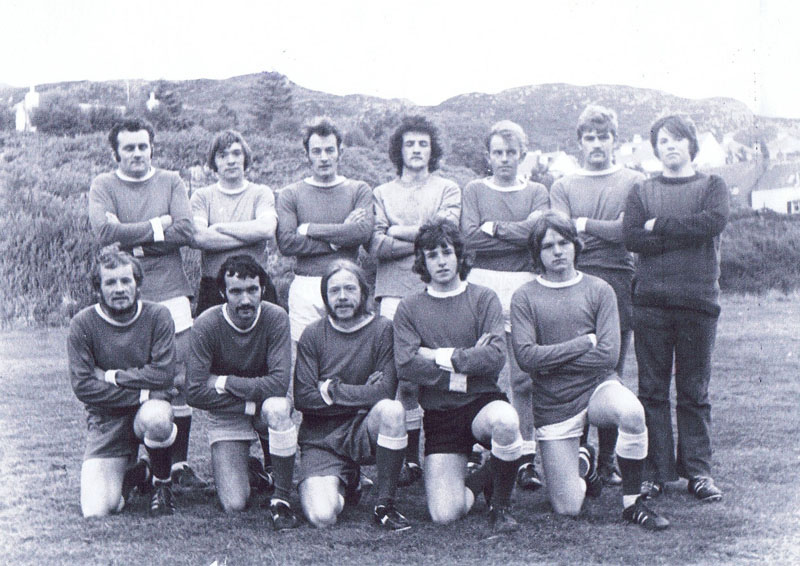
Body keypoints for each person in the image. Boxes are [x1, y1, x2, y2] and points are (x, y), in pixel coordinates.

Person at [510, 212, 669, 530]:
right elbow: (527, 358)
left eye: (563, 242)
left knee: (632, 412)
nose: (557, 251)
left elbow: (607, 357)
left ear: (575, 245)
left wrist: (553, 361)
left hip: (598, 387)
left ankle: (632, 504)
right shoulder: (524, 296)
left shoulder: (600, 289)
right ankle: (587, 468)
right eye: (548, 245)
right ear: (537, 253)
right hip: (553, 403)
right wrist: (583, 343)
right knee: (568, 509)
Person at [88, 118, 208, 491]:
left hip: (171, 291)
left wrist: (132, 238)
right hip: (126, 297)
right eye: (129, 147)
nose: (137, 153)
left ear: (151, 148)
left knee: (179, 380)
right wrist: (159, 225)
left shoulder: (171, 180)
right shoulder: (103, 185)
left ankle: (178, 465)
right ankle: (132, 462)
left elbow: (186, 232)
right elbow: (105, 234)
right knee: (128, 374)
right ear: (116, 153)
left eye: (143, 146)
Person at [393, 218, 523, 534]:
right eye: (432, 254)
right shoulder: (409, 307)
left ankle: (501, 508)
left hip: (481, 403)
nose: (441, 261)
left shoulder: (484, 297)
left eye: (446, 252)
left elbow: (494, 357)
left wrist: (438, 355)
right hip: (440, 415)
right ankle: (486, 473)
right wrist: (466, 359)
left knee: (506, 422)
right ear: (422, 261)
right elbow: (406, 365)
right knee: (445, 515)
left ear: (459, 255)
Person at [623, 114, 729, 503]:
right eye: (662, 141)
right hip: (650, 303)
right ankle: (654, 473)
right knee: (652, 391)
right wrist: (674, 232)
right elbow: (632, 237)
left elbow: (712, 223)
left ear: (691, 144)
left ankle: (698, 473)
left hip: (698, 303)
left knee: (694, 390)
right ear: (655, 149)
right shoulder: (642, 190)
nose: (669, 146)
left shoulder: (712, 185)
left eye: (677, 139)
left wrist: (659, 226)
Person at [550, 105, 646, 486]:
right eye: (588, 137)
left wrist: (585, 224)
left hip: (619, 282)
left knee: (611, 372)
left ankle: (607, 460)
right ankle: (578, 454)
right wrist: (586, 231)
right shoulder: (563, 185)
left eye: (602, 136)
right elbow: (560, 234)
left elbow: (627, 233)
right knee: (572, 369)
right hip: (572, 284)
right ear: (579, 143)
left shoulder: (634, 181)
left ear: (614, 141)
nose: (595, 144)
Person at [371, 115, 461, 487]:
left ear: (432, 149)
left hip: (438, 293)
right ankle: (405, 458)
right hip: (393, 290)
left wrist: (397, 232)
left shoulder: (449, 188)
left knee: (442, 372)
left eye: (423, 144)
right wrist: (425, 237)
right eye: (410, 144)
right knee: (403, 378)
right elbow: (376, 245)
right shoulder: (381, 192)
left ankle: (449, 450)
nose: (417, 150)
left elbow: (448, 234)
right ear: (399, 150)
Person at [460, 120, 549, 491]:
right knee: (479, 370)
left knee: (524, 376)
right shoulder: (475, 190)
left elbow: (536, 237)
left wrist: (492, 228)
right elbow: (467, 239)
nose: (504, 159)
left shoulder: (538, 191)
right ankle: (478, 451)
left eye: (511, 153)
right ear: (488, 155)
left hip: (524, 286)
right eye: (497, 152)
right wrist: (515, 232)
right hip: (482, 286)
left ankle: (527, 458)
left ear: (522, 155)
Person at [294, 260, 410, 531]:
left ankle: (385, 505)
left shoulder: (383, 330)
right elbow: (303, 398)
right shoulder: (312, 334)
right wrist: (363, 393)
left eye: (349, 289)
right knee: (322, 516)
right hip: (321, 439)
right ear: (325, 296)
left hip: (363, 428)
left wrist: (331, 388)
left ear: (363, 292)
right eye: (334, 291)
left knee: (391, 411)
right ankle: (349, 481)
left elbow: (384, 392)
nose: (342, 297)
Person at [186, 255, 300, 529]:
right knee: (234, 504)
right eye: (236, 291)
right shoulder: (207, 323)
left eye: (252, 290)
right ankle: (256, 473)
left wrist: (224, 381)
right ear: (223, 293)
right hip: (231, 410)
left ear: (262, 289)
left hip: (260, 403)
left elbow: (278, 385)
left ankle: (281, 498)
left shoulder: (276, 317)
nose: (245, 299)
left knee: (277, 408)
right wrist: (248, 404)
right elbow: (194, 392)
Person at [68, 248, 179, 517]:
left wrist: (110, 376)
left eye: (126, 281)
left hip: (148, 412)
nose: (119, 289)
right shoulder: (82, 323)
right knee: (97, 510)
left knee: (157, 416)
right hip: (107, 419)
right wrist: (146, 393)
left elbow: (164, 374)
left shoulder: (158, 315)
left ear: (137, 284)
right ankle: (137, 472)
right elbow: (84, 386)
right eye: (110, 282)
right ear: (98, 289)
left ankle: (161, 484)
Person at [276, 117, 374, 353]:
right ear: (307, 154)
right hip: (305, 285)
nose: (324, 157)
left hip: (347, 284)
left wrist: (310, 229)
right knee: (304, 357)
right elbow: (287, 242)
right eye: (316, 151)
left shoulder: (358, 189)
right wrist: (338, 239)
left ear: (340, 152)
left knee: (350, 355)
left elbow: (361, 232)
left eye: (330, 150)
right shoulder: (291, 193)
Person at [190, 129, 277, 317]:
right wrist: (251, 236)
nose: (231, 161)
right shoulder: (202, 196)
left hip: (255, 286)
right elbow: (200, 238)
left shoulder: (261, 193)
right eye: (222, 155)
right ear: (214, 162)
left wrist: (220, 228)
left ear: (245, 158)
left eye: (236, 153)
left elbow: (267, 229)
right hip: (213, 287)